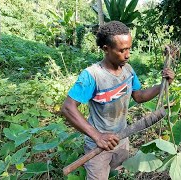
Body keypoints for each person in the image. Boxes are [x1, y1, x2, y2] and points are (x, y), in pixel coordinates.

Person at [61, 21, 175, 180]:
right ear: (106, 49)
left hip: (122, 138)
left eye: (129, 49)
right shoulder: (92, 76)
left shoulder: (128, 70)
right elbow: (68, 108)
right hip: (98, 145)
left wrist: (163, 84)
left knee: (120, 174)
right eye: (122, 50)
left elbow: (139, 96)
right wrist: (98, 136)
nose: (127, 55)